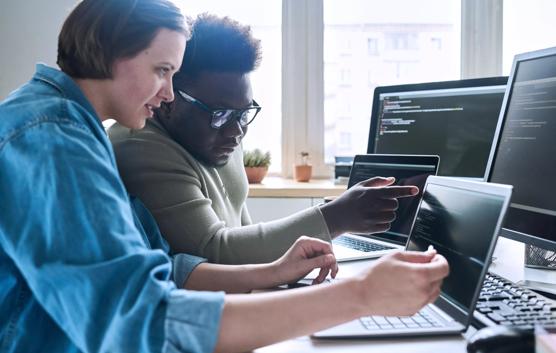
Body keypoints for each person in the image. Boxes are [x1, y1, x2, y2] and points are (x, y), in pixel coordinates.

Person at [0, 1, 449, 352]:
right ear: (111, 52)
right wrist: (362, 297)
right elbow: (140, 322)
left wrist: (272, 270)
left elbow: (164, 267)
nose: (169, 93)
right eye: (162, 70)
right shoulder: (52, 137)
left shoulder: (72, 125)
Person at [109, 14, 419, 264]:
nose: (236, 131)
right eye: (220, 115)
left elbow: (244, 234)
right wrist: (336, 217)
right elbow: (213, 251)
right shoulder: (140, 147)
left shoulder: (220, 132)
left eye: (244, 113)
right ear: (169, 98)